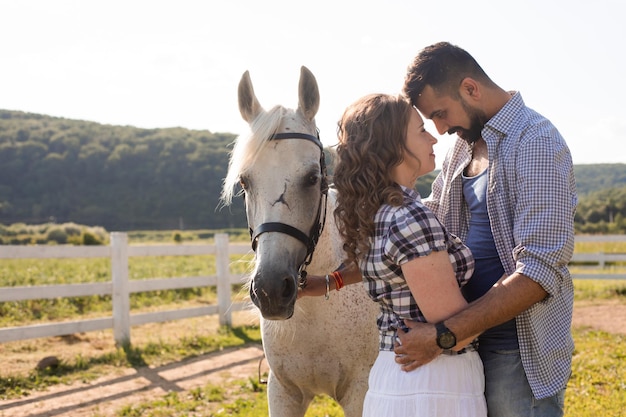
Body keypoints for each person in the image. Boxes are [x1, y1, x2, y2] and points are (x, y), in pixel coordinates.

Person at [391, 41, 577, 417]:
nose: (440, 130)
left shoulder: (535, 142)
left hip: (516, 351)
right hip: (468, 347)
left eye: (441, 114)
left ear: (471, 88)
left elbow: (538, 272)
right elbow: (429, 217)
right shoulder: (464, 145)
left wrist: (445, 334)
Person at [327, 93, 487, 416]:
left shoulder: (376, 213)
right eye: (420, 130)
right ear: (395, 146)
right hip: (435, 381)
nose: (433, 137)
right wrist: (516, 288)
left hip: (394, 374)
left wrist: (329, 282)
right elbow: (456, 329)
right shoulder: (409, 218)